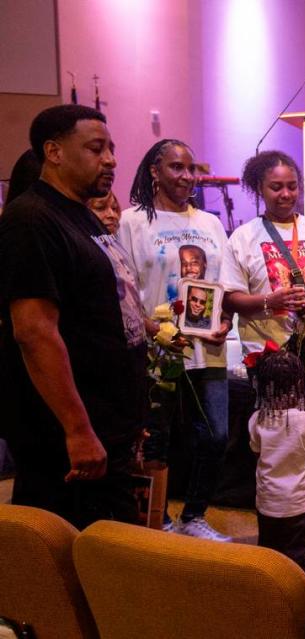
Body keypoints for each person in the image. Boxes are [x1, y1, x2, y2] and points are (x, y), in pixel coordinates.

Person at [0, 104, 147, 529]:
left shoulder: (81, 213)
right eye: (96, 148)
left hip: (109, 424)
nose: (111, 160)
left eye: (111, 149)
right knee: (67, 556)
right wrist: (78, 430)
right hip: (68, 436)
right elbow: (34, 331)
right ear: (55, 152)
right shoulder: (31, 221)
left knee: (111, 553)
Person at [221, 150, 305, 548]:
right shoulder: (243, 237)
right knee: (275, 437)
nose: (286, 194)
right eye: (276, 187)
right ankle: (274, 512)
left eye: (292, 186)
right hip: (268, 355)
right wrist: (268, 302)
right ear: (260, 188)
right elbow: (230, 297)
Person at [118, 138, 233, 542]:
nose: (187, 177)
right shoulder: (132, 222)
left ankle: (195, 516)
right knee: (157, 438)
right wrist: (153, 330)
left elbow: (225, 285)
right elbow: (124, 289)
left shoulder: (210, 223)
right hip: (156, 352)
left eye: (191, 169)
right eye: (176, 168)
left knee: (216, 435)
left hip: (209, 347)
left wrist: (225, 321)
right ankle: (158, 517)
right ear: (154, 171)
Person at [248, 348, 305, 572]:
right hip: (299, 505)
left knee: (268, 555)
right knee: (296, 559)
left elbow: (257, 452)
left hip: (267, 503)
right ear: (299, 386)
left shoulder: (256, 419)